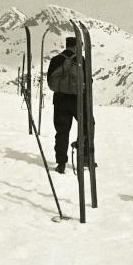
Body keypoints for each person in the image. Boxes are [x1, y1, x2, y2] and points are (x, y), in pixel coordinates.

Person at [46, 37, 82, 174]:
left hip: (60, 100)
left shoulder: (56, 60)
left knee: (62, 132)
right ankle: (83, 155)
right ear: (76, 47)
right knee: (87, 125)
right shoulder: (80, 60)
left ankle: (61, 163)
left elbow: (50, 79)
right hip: (76, 100)